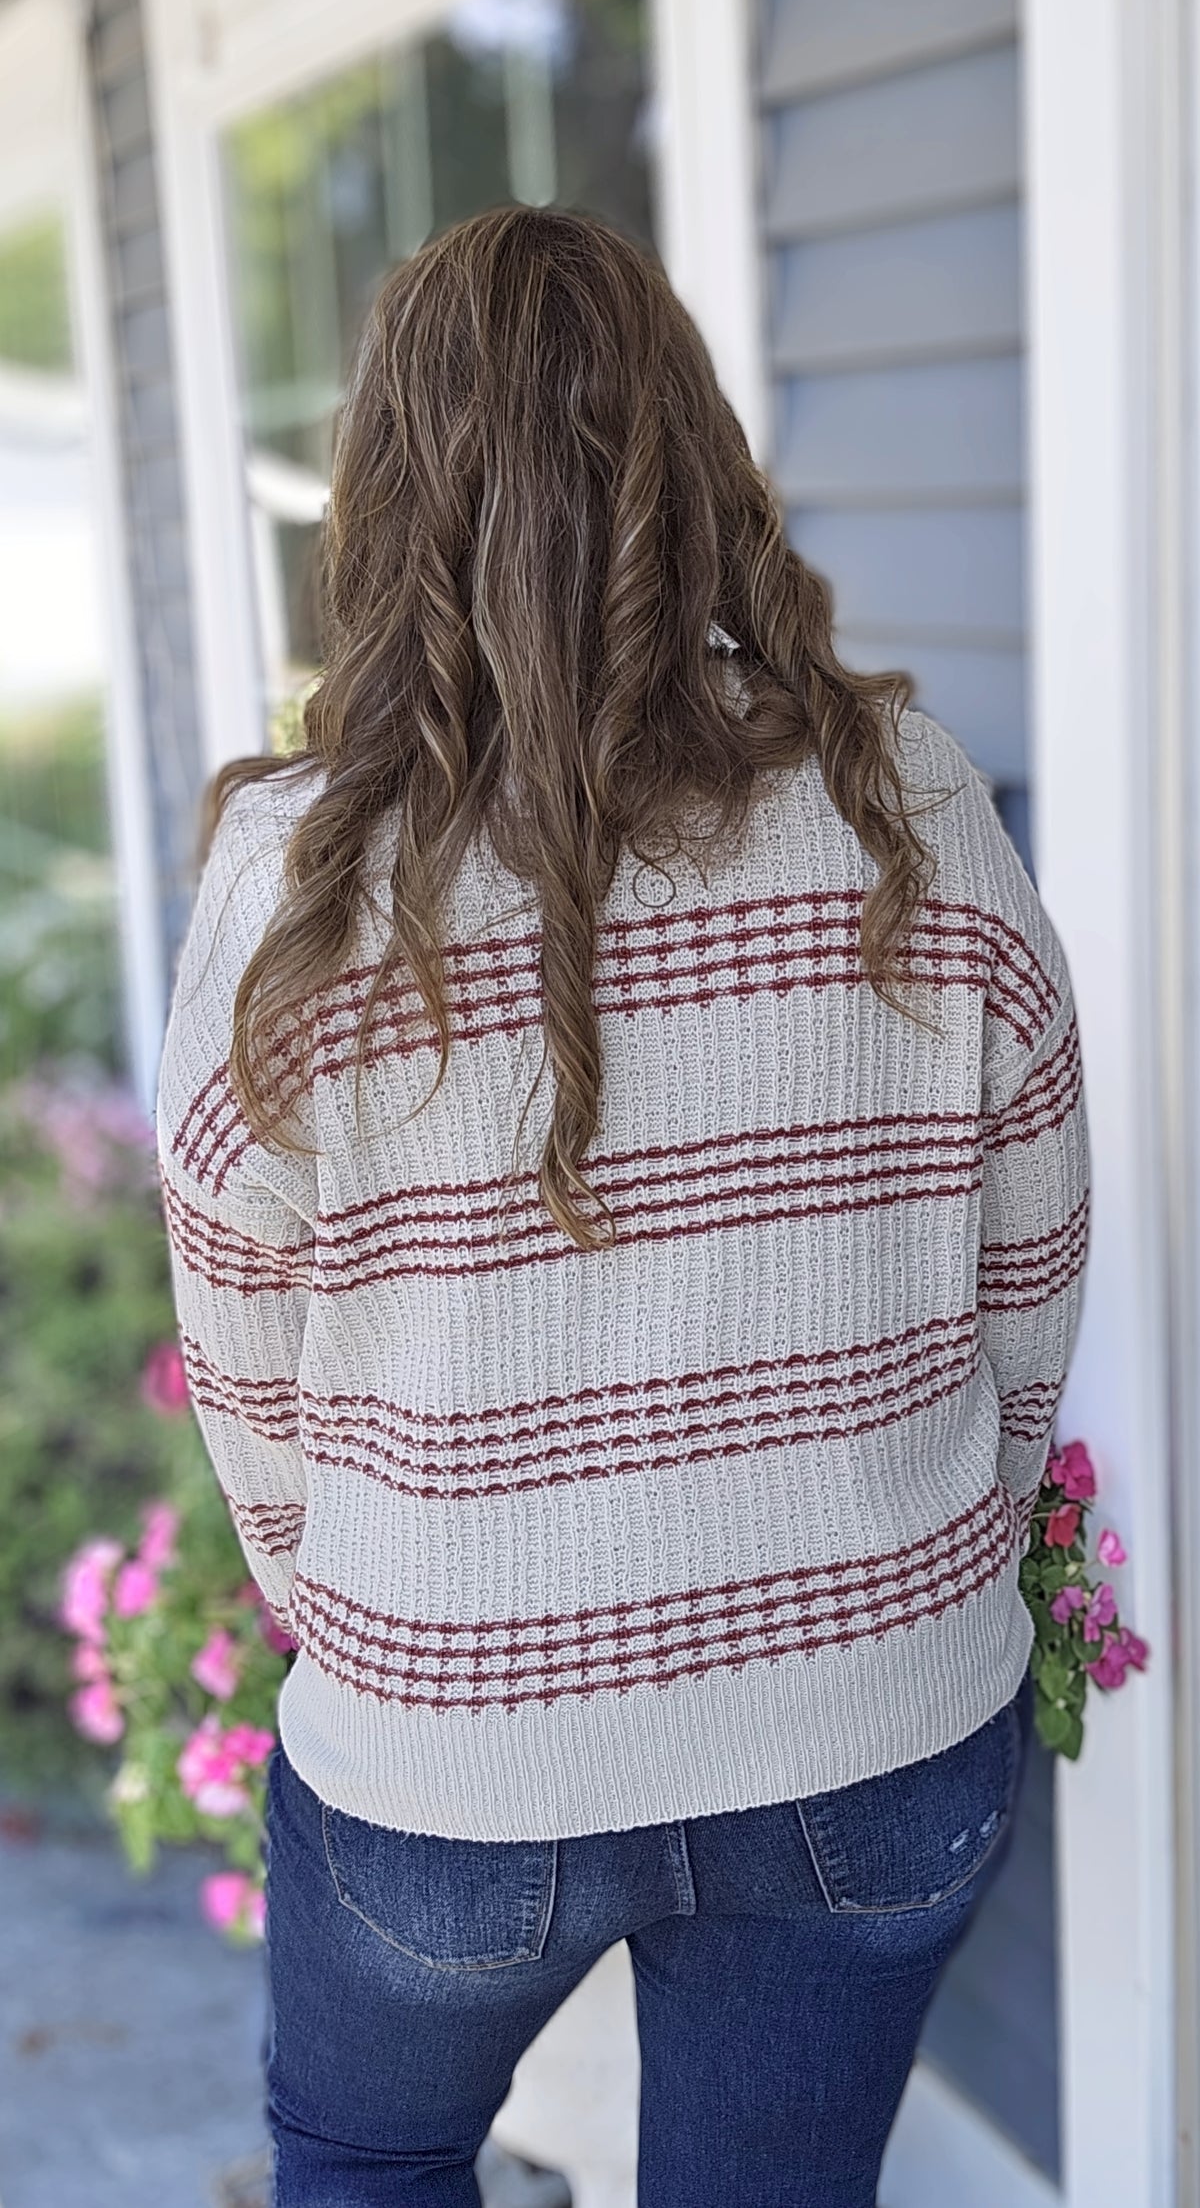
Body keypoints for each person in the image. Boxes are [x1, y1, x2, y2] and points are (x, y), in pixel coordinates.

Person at [155, 205, 1089, 2208]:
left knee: (370, 2161)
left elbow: (240, 1336)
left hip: (448, 1758)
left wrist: (380, 1617)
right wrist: (925, 1561)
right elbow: (1035, 1256)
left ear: (387, 492)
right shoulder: (906, 797)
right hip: (867, 1727)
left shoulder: (292, 875)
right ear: (697, 467)